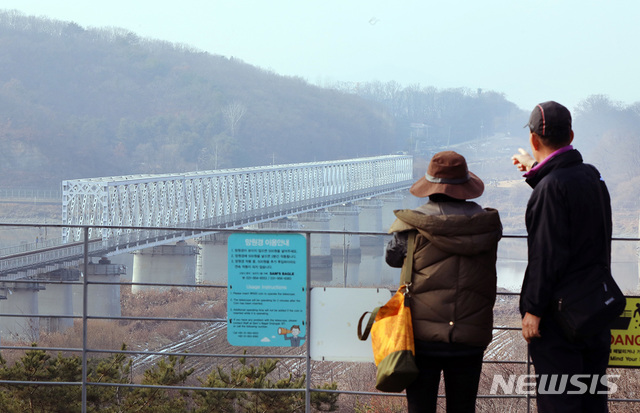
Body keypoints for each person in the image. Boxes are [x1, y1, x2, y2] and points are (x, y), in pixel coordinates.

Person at [511, 101, 613, 412]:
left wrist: (533, 309)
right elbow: (570, 207)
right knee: (592, 400)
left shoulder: (550, 189)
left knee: (559, 401)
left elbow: (547, 256)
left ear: (533, 140)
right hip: (595, 309)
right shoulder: (592, 176)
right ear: (571, 135)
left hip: (559, 320)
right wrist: (537, 174)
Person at [385, 151, 502, 413]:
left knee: (420, 407)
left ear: (430, 186)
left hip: (422, 336)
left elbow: (392, 259)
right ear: (465, 187)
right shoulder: (488, 225)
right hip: (470, 335)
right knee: (463, 408)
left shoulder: (412, 224)